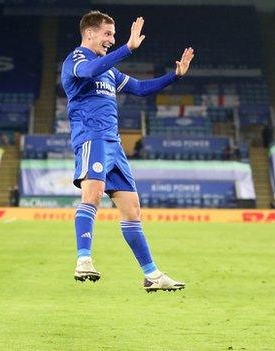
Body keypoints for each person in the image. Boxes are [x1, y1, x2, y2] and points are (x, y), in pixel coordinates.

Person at [61, 10, 194, 292]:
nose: (111, 39)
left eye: (113, 35)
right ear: (90, 33)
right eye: (107, 34)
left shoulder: (108, 69)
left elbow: (141, 88)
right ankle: (83, 259)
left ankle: (152, 276)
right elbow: (87, 73)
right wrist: (127, 49)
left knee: (132, 210)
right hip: (92, 138)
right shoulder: (77, 59)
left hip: (114, 144)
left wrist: (175, 77)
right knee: (93, 195)